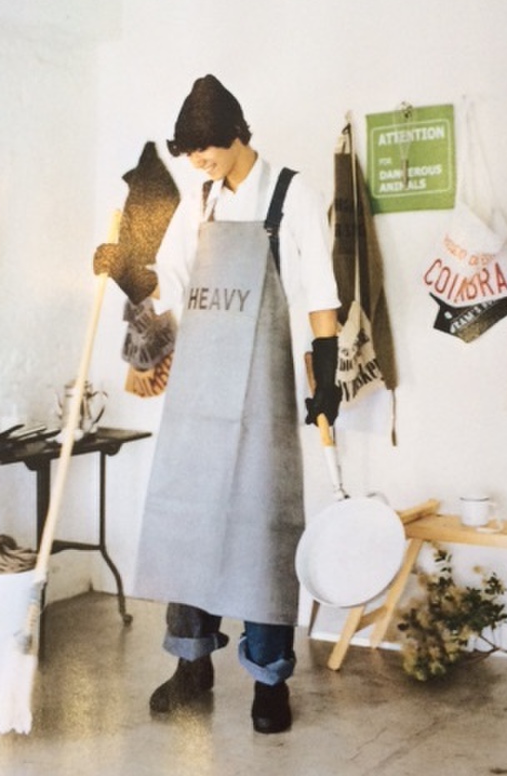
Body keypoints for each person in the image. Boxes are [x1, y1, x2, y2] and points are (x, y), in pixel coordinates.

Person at [96, 74, 341, 733]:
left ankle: (269, 679)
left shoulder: (292, 194)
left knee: (263, 530)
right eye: (189, 152)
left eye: (205, 148)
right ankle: (191, 665)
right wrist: (129, 271)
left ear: (236, 134)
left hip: (262, 392)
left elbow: (321, 292)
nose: (198, 161)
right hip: (200, 390)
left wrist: (325, 375)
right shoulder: (199, 201)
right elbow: (173, 280)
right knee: (189, 520)